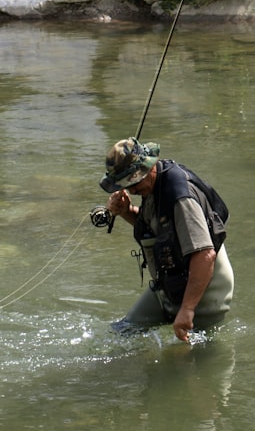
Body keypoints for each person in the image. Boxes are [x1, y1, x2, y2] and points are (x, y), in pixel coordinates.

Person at [93, 138, 234, 342]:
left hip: (206, 289)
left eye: (133, 182)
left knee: (191, 357)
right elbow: (161, 230)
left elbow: (205, 254)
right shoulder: (153, 185)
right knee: (120, 334)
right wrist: (126, 212)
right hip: (171, 283)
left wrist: (187, 310)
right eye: (125, 185)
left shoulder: (180, 198)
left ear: (149, 167)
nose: (131, 190)